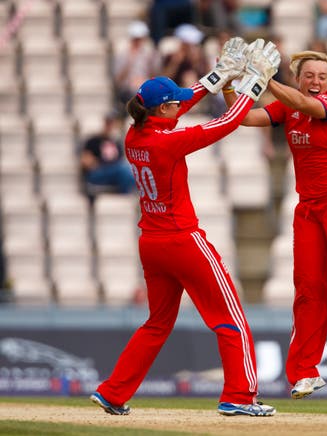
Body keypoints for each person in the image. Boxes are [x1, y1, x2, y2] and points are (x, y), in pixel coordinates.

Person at [90, 37, 280, 417]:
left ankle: (113, 391)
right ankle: (239, 397)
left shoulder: (135, 135)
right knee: (231, 319)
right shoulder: (168, 141)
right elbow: (226, 123)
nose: (180, 103)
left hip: (152, 242)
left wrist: (218, 76)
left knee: (157, 323)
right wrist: (252, 82)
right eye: (173, 101)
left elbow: (181, 104)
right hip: (182, 240)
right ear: (163, 108)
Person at [222, 50, 327, 401]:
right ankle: (305, 373)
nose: (316, 82)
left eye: (322, 76)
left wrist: (266, 79)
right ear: (299, 78)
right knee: (309, 288)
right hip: (309, 208)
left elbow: (304, 103)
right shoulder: (289, 106)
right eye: (309, 75)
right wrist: (228, 84)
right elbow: (244, 119)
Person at [80, 112, 136, 196]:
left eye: (112, 123)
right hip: (98, 172)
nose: (109, 126)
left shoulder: (116, 142)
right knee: (124, 169)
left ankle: (126, 197)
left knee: (127, 171)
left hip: (115, 173)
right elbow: (85, 161)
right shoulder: (93, 141)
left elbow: (119, 159)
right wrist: (95, 162)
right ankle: (125, 197)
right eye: (108, 123)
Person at [113, 21, 161, 111]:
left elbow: (155, 75)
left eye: (140, 39)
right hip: (127, 88)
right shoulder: (122, 54)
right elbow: (118, 81)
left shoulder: (150, 54)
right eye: (135, 39)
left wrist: (151, 62)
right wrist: (130, 61)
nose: (138, 42)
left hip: (145, 85)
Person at [162, 24, 211, 89]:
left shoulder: (200, 56)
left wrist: (196, 62)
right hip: (176, 91)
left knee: (189, 76)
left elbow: (208, 78)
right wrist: (175, 62)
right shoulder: (172, 56)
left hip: (197, 91)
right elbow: (164, 80)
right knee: (188, 77)